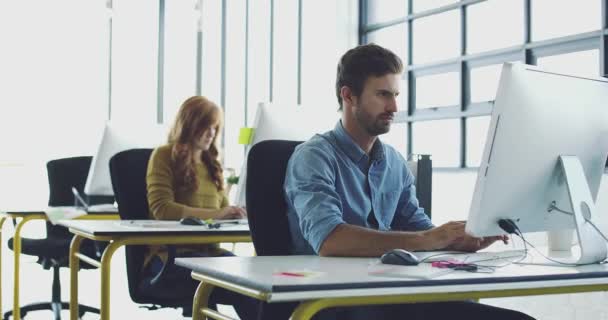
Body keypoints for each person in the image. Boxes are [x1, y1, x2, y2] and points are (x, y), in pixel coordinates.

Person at [283, 44, 535, 320]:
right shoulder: (313, 157)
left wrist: (458, 240)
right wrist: (429, 238)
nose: (394, 107)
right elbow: (330, 240)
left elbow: (420, 231)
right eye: (382, 95)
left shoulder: (393, 162)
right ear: (348, 95)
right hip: (334, 303)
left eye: (395, 95)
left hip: (392, 294)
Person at [145, 95, 256, 319]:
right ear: (190, 124)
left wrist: (237, 213)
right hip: (170, 257)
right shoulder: (164, 155)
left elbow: (224, 210)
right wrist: (218, 214)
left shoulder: (211, 164)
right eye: (206, 126)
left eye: (215, 128)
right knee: (242, 281)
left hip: (209, 254)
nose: (211, 133)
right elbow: (162, 209)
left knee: (255, 280)